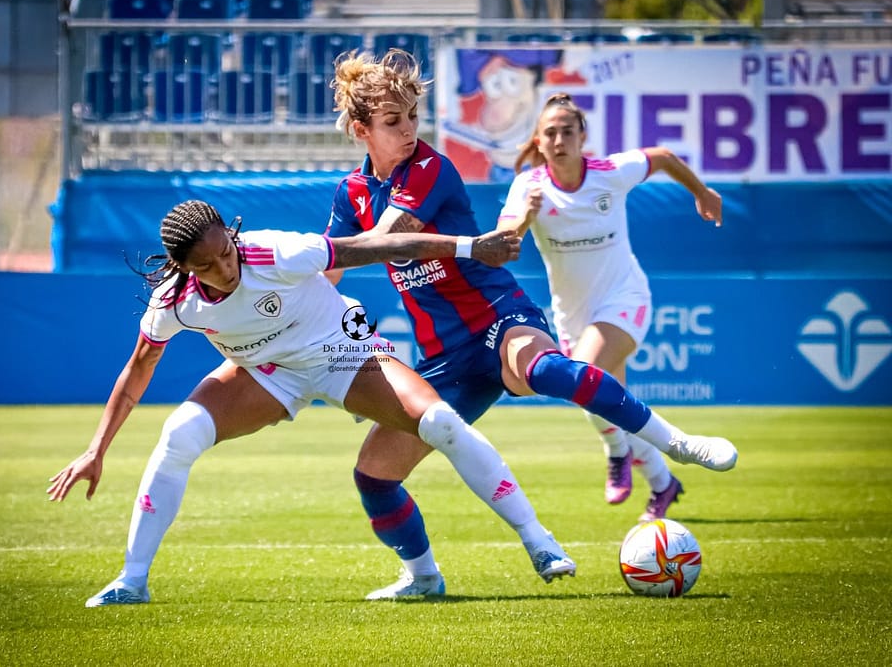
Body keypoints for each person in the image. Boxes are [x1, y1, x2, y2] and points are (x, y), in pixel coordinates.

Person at [47, 199, 577, 607]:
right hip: (265, 373)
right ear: (184, 269)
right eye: (206, 267)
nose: (225, 270)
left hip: (342, 351)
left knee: (438, 421)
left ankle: (539, 541)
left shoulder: (276, 252)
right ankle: (132, 581)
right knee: (179, 434)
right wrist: (97, 450)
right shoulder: (174, 303)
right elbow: (137, 370)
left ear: (233, 238)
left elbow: (373, 247)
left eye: (226, 253)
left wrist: (470, 247)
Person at [323, 48, 736, 557]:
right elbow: (330, 271)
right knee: (374, 475)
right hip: (444, 360)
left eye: (412, 116)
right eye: (393, 121)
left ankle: (677, 444)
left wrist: (289, 255)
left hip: (497, 317)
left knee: (547, 370)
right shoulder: (352, 192)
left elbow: (391, 240)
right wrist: (267, 282)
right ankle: (422, 576)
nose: (409, 130)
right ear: (362, 129)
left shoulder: (430, 167)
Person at [498, 92, 725, 520]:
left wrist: (702, 191)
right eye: (551, 132)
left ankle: (616, 450)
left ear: (583, 136)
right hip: (572, 315)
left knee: (586, 377)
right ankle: (662, 483)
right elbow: (505, 241)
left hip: (625, 299)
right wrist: (526, 217)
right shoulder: (528, 187)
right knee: (604, 399)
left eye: (569, 130)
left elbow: (663, 157)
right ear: (539, 142)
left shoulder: (610, 173)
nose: (560, 138)